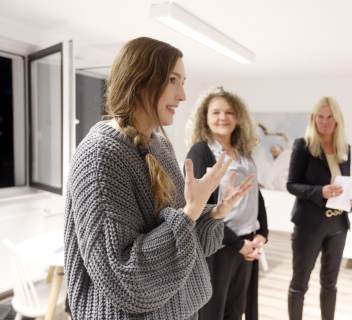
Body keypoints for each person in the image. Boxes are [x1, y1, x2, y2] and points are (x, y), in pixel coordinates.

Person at [63, 38, 255, 320]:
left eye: (183, 81)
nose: (182, 95)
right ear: (139, 81)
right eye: (172, 80)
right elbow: (123, 275)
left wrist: (211, 212)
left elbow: (182, 238)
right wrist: (190, 210)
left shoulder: (158, 144)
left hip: (178, 309)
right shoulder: (99, 156)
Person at [185, 87, 269, 320]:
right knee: (213, 312)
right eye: (216, 113)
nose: (223, 117)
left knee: (236, 309)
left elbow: (255, 195)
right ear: (205, 118)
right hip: (219, 247)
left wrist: (262, 232)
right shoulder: (202, 151)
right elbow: (199, 208)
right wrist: (237, 243)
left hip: (247, 242)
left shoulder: (244, 152)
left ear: (238, 117)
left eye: (229, 112)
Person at [286, 96, 352, 320]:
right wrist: (319, 191)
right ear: (313, 118)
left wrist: (350, 198)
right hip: (310, 224)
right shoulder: (303, 145)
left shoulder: (344, 148)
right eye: (320, 116)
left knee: (330, 283)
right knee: (300, 283)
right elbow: (292, 185)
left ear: (337, 120)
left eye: (329, 117)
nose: (325, 121)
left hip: (338, 225)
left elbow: (342, 183)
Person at [258, 124, 293, 191]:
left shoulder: (288, 152)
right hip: (275, 188)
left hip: (285, 181)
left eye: (274, 147)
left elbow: (285, 134)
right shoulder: (275, 164)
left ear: (280, 147)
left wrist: (269, 134)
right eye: (271, 149)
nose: (272, 149)